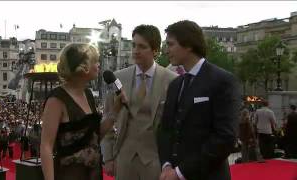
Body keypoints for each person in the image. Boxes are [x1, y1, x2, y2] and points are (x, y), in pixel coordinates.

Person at [157, 20, 241, 180]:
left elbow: (225, 137)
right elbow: (165, 130)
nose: (166, 50)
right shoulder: (175, 84)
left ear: (188, 45)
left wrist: (180, 172)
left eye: (170, 44)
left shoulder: (223, 80)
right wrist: (166, 165)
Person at [101, 24, 177, 180]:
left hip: (155, 158)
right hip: (123, 157)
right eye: (134, 45)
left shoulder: (171, 80)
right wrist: (108, 157)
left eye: (142, 46)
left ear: (155, 51)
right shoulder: (118, 78)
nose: (135, 50)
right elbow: (107, 117)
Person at [40, 43, 124, 180]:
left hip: (93, 174)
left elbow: (94, 137)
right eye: (95, 61)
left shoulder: (88, 94)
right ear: (83, 66)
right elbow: (46, 147)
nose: (98, 65)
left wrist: (115, 110)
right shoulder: (57, 99)